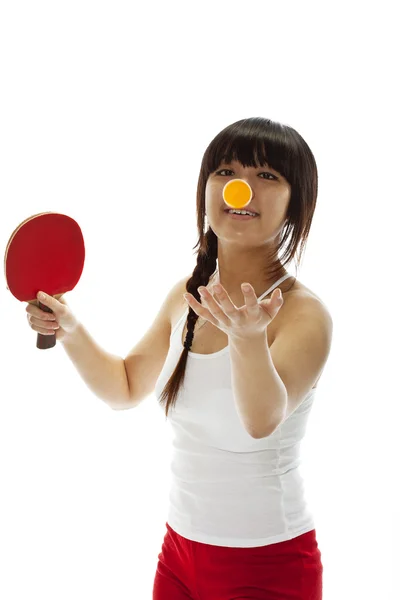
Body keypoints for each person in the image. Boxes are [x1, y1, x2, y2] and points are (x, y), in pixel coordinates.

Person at [26, 117, 333, 599]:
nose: (240, 189)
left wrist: (248, 339)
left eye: (266, 176)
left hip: (269, 564)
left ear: (297, 204)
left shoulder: (305, 315)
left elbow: (261, 421)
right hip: (180, 554)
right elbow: (125, 387)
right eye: (226, 172)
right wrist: (70, 328)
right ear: (205, 189)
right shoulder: (187, 296)